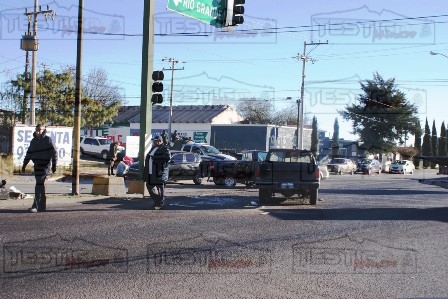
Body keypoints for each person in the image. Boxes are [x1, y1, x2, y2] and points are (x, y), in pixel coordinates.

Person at [22, 124, 58, 213]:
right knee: (40, 185)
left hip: (45, 166)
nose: (38, 132)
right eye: (37, 130)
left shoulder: (48, 140)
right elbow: (29, 153)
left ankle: (36, 206)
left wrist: (54, 165)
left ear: (44, 130)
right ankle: (42, 207)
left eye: (40, 130)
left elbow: (54, 153)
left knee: (39, 184)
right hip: (37, 165)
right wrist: (24, 164)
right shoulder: (34, 141)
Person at [142, 135, 170, 210]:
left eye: (156, 141)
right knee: (149, 186)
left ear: (160, 141)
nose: (154, 142)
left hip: (159, 173)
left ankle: (160, 203)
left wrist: (155, 158)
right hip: (150, 173)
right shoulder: (153, 148)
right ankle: (157, 200)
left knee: (160, 189)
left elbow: (167, 158)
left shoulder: (165, 149)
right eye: (153, 141)